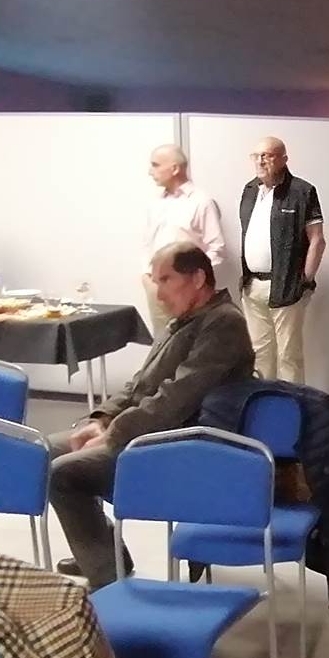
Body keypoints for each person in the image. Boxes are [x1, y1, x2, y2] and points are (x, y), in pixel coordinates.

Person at [48, 242, 254, 589]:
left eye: (166, 280)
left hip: (179, 447)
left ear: (198, 278)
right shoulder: (185, 320)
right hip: (151, 434)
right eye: (156, 281)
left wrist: (115, 433)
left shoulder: (223, 323)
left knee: (63, 474)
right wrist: (102, 419)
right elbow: (139, 385)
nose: (158, 294)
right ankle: (104, 555)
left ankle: (108, 580)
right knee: (48, 450)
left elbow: (176, 400)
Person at [238, 136, 324, 383]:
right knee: (258, 354)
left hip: (287, 287)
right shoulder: (249, 190)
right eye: (256, 156)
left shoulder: (302, 191)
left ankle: (291, 403)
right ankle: (263, 401)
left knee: (289, 355)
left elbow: (317, 240)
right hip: (253, 287)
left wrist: (305, 281)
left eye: (267, 155)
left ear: (284, 159)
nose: (261, 161)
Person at [140, 144, 225, 328]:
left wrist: (197, 283)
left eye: (155, 165)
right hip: (156, 286)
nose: (150, 172)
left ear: (175, 169)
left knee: (190, 338)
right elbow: (148, 243)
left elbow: (216, 248)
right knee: (162, 339)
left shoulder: (201, 202)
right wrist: (147, 276)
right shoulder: (156, 203)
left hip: (186, 290)